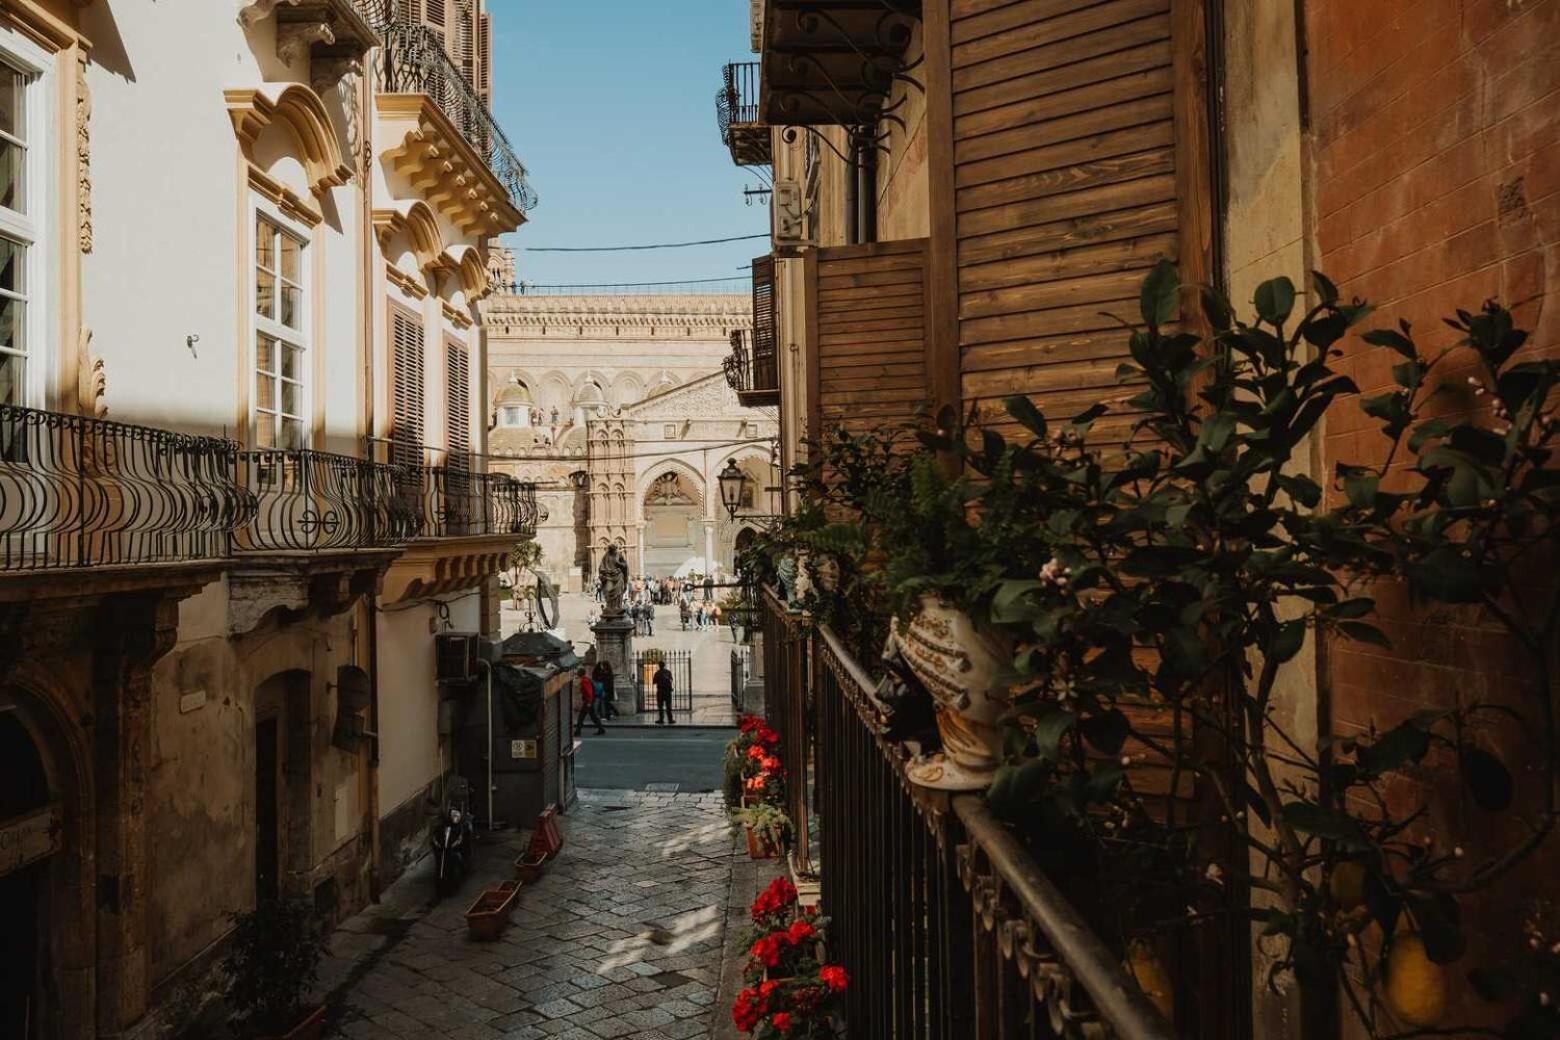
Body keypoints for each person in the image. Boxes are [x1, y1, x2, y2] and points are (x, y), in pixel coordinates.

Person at [574, 666, 606, 736]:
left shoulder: (584, 681)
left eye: (577, 672)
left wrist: (589, 702)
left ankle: (578, 732)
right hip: (589, 700)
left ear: (579, 673)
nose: (576, 673)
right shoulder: (586, 679)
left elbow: (589, 692)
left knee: (581, 717)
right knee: (593, 716)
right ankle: (601, 729)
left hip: (588, 701)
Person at [653, 660, 675, 725]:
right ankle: (670, 719)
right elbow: (671, 679)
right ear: (664, 665)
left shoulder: (657, 673)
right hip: (667, 691)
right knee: (668, 706)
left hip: (660, 691)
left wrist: (660, 680)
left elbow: (654, 682)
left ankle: (661, 719)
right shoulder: (668, 672)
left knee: (660, 706)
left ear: (659, 666)